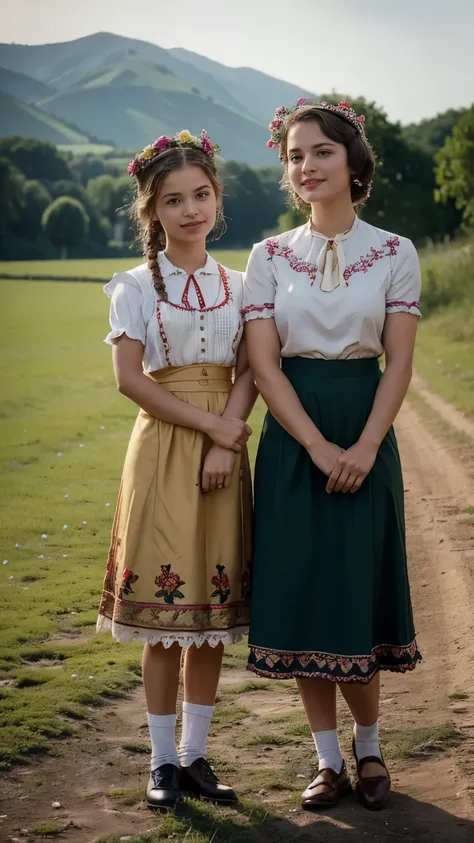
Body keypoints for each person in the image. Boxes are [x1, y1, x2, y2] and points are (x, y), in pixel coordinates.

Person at [242, 99, 422, 812]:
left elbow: (399, 362)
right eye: (294, 155)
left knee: (355, 591)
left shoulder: (395, 251)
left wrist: (367, 444)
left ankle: (371, 749)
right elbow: (263, 366)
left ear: (352, 161)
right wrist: (315, 446)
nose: (306, 166)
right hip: (293, 437)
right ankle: (325, 761)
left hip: (364, 422)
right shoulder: (268, 256)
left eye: (320, 151)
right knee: (304, 597)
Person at [96, 129, 256, 812]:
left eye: (200, 195)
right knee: (165, 617)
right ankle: (161, 762)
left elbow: (252, 369)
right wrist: (211, 426)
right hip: (163, 447)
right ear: (152, 210)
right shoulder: (133, 285)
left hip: (224, 451)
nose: (190, 209)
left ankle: (195, 755)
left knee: (210, 614)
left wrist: (229, 439)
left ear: (217, 198)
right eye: (173, 200)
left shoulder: (244, 284)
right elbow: (130, 379)